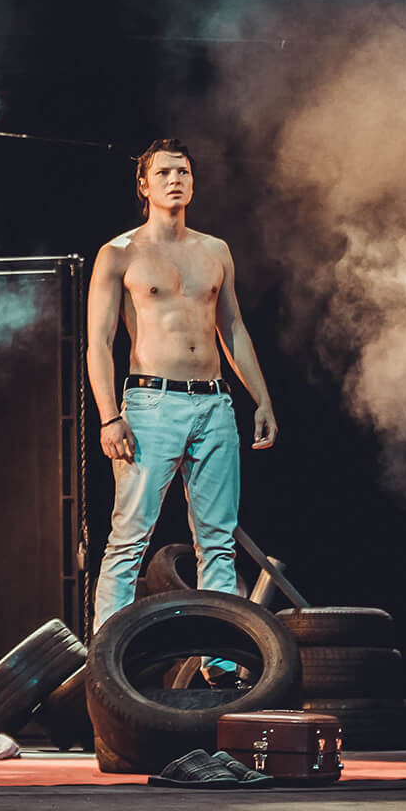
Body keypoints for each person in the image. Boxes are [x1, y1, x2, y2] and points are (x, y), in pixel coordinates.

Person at [86, 139, 280, 643]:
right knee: (129, 538)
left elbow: (233, 327)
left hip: (214, 403)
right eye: (165, 172)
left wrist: (261, 399)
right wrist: (110, 416)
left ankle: (219, 662)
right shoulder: (119, 253)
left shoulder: (214, 250)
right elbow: (98, 344)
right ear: (144, 185)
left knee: (217, 541)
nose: (176, 180)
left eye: (185, 172)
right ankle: (107, 659)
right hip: (151, 404)